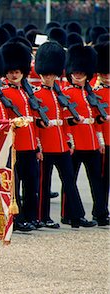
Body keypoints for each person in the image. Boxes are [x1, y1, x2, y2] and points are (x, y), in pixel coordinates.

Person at [33, 42, 95, 228]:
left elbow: (65, 120)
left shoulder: (60, 93)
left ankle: (77, 216)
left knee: (70, 181)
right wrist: (38, 146)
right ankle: (42, 217)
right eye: (45, 74)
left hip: (61, 145)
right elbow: (36, 123)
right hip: (46, 144)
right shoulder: (36, 95)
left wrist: (69, 139)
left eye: (51, 74)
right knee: (44, 184)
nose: (48, 78)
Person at [62, 44, 108, 226]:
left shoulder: (90, 93)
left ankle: (101, 212)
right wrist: (69, 141)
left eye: (82, 72)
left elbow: (96, 120)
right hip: (76, 143)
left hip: (91, 143)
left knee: (97, 180)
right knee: (70, 182)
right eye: (76, 72)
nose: (79, 75)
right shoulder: (66, 93)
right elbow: (66, 120)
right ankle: (70, 214)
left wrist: (100, 141)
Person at [1, 41, 40, 231]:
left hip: (30, 144)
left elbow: (35, 119)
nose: (14, 75)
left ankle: (32, 216)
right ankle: (17, 218)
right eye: (10, 72)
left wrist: (38, 145)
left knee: (32, 183)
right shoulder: (3, 92)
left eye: (17, 72)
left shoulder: (27, 91)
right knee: (14, 187)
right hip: (14, 145)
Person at [93, 41, 110, 225]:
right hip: (105, 140)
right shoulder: (97, 93)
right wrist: (100, 140)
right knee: (103, 181)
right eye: (104, 74)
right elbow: (96, 120)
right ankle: (101, 211)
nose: (106, 77)